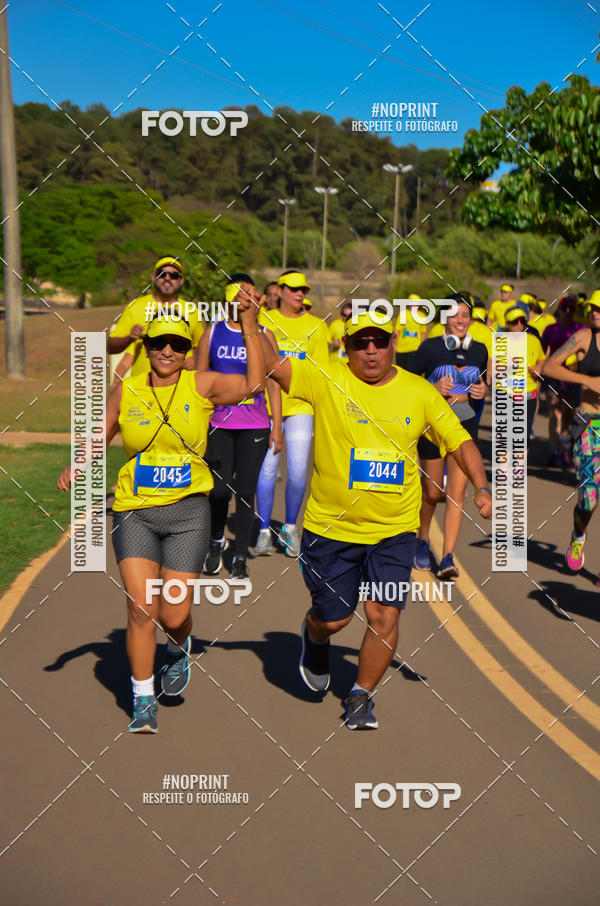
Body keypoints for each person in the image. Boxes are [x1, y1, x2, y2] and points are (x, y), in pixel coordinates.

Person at [260, 309, 492, 730]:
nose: (370, 350)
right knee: (334, 618)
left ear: (392, 346)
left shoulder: (419, 392)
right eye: (360, 342)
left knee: (385, 614)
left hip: (394, 531)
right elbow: (273, 366)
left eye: (379, 342)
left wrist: (480, 485)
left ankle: (361, 695)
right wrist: (247, 320)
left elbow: (460, 440)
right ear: (346, 347)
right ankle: (314, 637)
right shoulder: (327, 377)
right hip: (331, 528)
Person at [58, 303, 265, 734]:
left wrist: (248, 326)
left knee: (172, 615)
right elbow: (104, 430)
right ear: (147, 346)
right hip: (135, 512)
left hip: (188, 513)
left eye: (177, 343)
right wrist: (79, 463)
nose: (167, 350)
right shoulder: (128, 389)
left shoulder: (202, 384)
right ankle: (142, 698)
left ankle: (178, 645)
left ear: (188, 350)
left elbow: (254, 383)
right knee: (139, 609)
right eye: (158, 343)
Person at [195, 274, 282, 583]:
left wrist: (277, 427)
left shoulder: (264, 335)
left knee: (245, 491)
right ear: (228, 297)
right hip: (219, 422)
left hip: (255, 424)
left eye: (248, 292)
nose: (243, 298)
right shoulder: (213, 332)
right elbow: (198, 377)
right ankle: (216, 539)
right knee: (218, 490)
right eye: (237, 292)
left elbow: (273, 382)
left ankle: (240, 557)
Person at [407, 293, 488, 577]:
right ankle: (422, 538)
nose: (461, 320)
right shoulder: (429, 348)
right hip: (433, 427)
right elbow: (408, 384)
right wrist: (433, 386)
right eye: (455, 314)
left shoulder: (479, 351)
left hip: (464, 424)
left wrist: (483, 392)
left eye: (466, 315)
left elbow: (482, 384)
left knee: (457, 493)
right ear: (445, 318)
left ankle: (448, 557)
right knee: (432, 492)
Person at [255, 270, 329, 557]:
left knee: (298, 471)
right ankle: (263, 532)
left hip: (301, 406)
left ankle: (288, 528)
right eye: (295, 289)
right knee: (268, 469)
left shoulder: (317, 326)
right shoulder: (265, 320)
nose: (300, 294)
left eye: (303, 291)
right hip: (268, 406)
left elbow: (322, 371)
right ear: (281, 290)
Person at [542, 292, 600, 578]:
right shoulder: (583, 339)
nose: (595, 313)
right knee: (588, 498)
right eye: (593, 308)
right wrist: (586, 379)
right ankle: (579, 536)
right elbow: (549, 366)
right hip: (589, 422)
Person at [107, 256, 204, 380]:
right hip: (143, 390)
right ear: (154, 277)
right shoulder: (135, 306)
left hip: (182, 389)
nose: (167, 278)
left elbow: (202, 348)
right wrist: (129, 338)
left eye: (174, 275)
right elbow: (111, 347)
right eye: (162, 274)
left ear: (181, 280)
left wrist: (195, 360)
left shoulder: (193, 311)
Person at [541, 296, 585, 467]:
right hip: (553, 376)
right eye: (565, 308)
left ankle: (565, 451)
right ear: (559, 310)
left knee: (568, 415)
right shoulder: (551, 329)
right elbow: (542, 352)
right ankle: (554, 450)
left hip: (572, 377)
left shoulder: (580, 329)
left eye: (571, 309)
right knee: (553, 413)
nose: (568, 312)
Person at [504, 307, 546, 448]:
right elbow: (491, 365)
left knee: (524, 434)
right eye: (515, 322)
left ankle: (519, 467)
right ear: (507, 324)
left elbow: (541, 358)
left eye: (522, 321)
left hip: (529, 393)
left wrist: (539, 368)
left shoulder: (533, 340)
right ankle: (505, 468)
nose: (520, 325)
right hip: (506, 393)